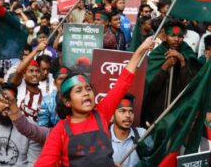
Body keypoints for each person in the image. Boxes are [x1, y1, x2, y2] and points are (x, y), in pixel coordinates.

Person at [34, 37, 155, 166]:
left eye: (88, 88)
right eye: (78, 91)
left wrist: (141, 49)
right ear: (68, 102)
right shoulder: (60, 131)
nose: (86, 93)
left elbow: (123, 83)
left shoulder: (102, 112)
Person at [142, 20, 198, 124]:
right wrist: (165, 66)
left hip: (179, 108)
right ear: (165, 35)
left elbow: (191, 85)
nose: (176, 39)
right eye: (172, 35)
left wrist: (182, 61)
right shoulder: (157, 54)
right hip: (158, 109)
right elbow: (151, 87)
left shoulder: (188, 53)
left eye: (180, 36)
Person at [111, 93, 152, 167]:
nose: (128, 115)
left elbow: (153, 160)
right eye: (122, 111)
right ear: (112, 114)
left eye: (131, 111)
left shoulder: (142, 135)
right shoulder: (103, 138)